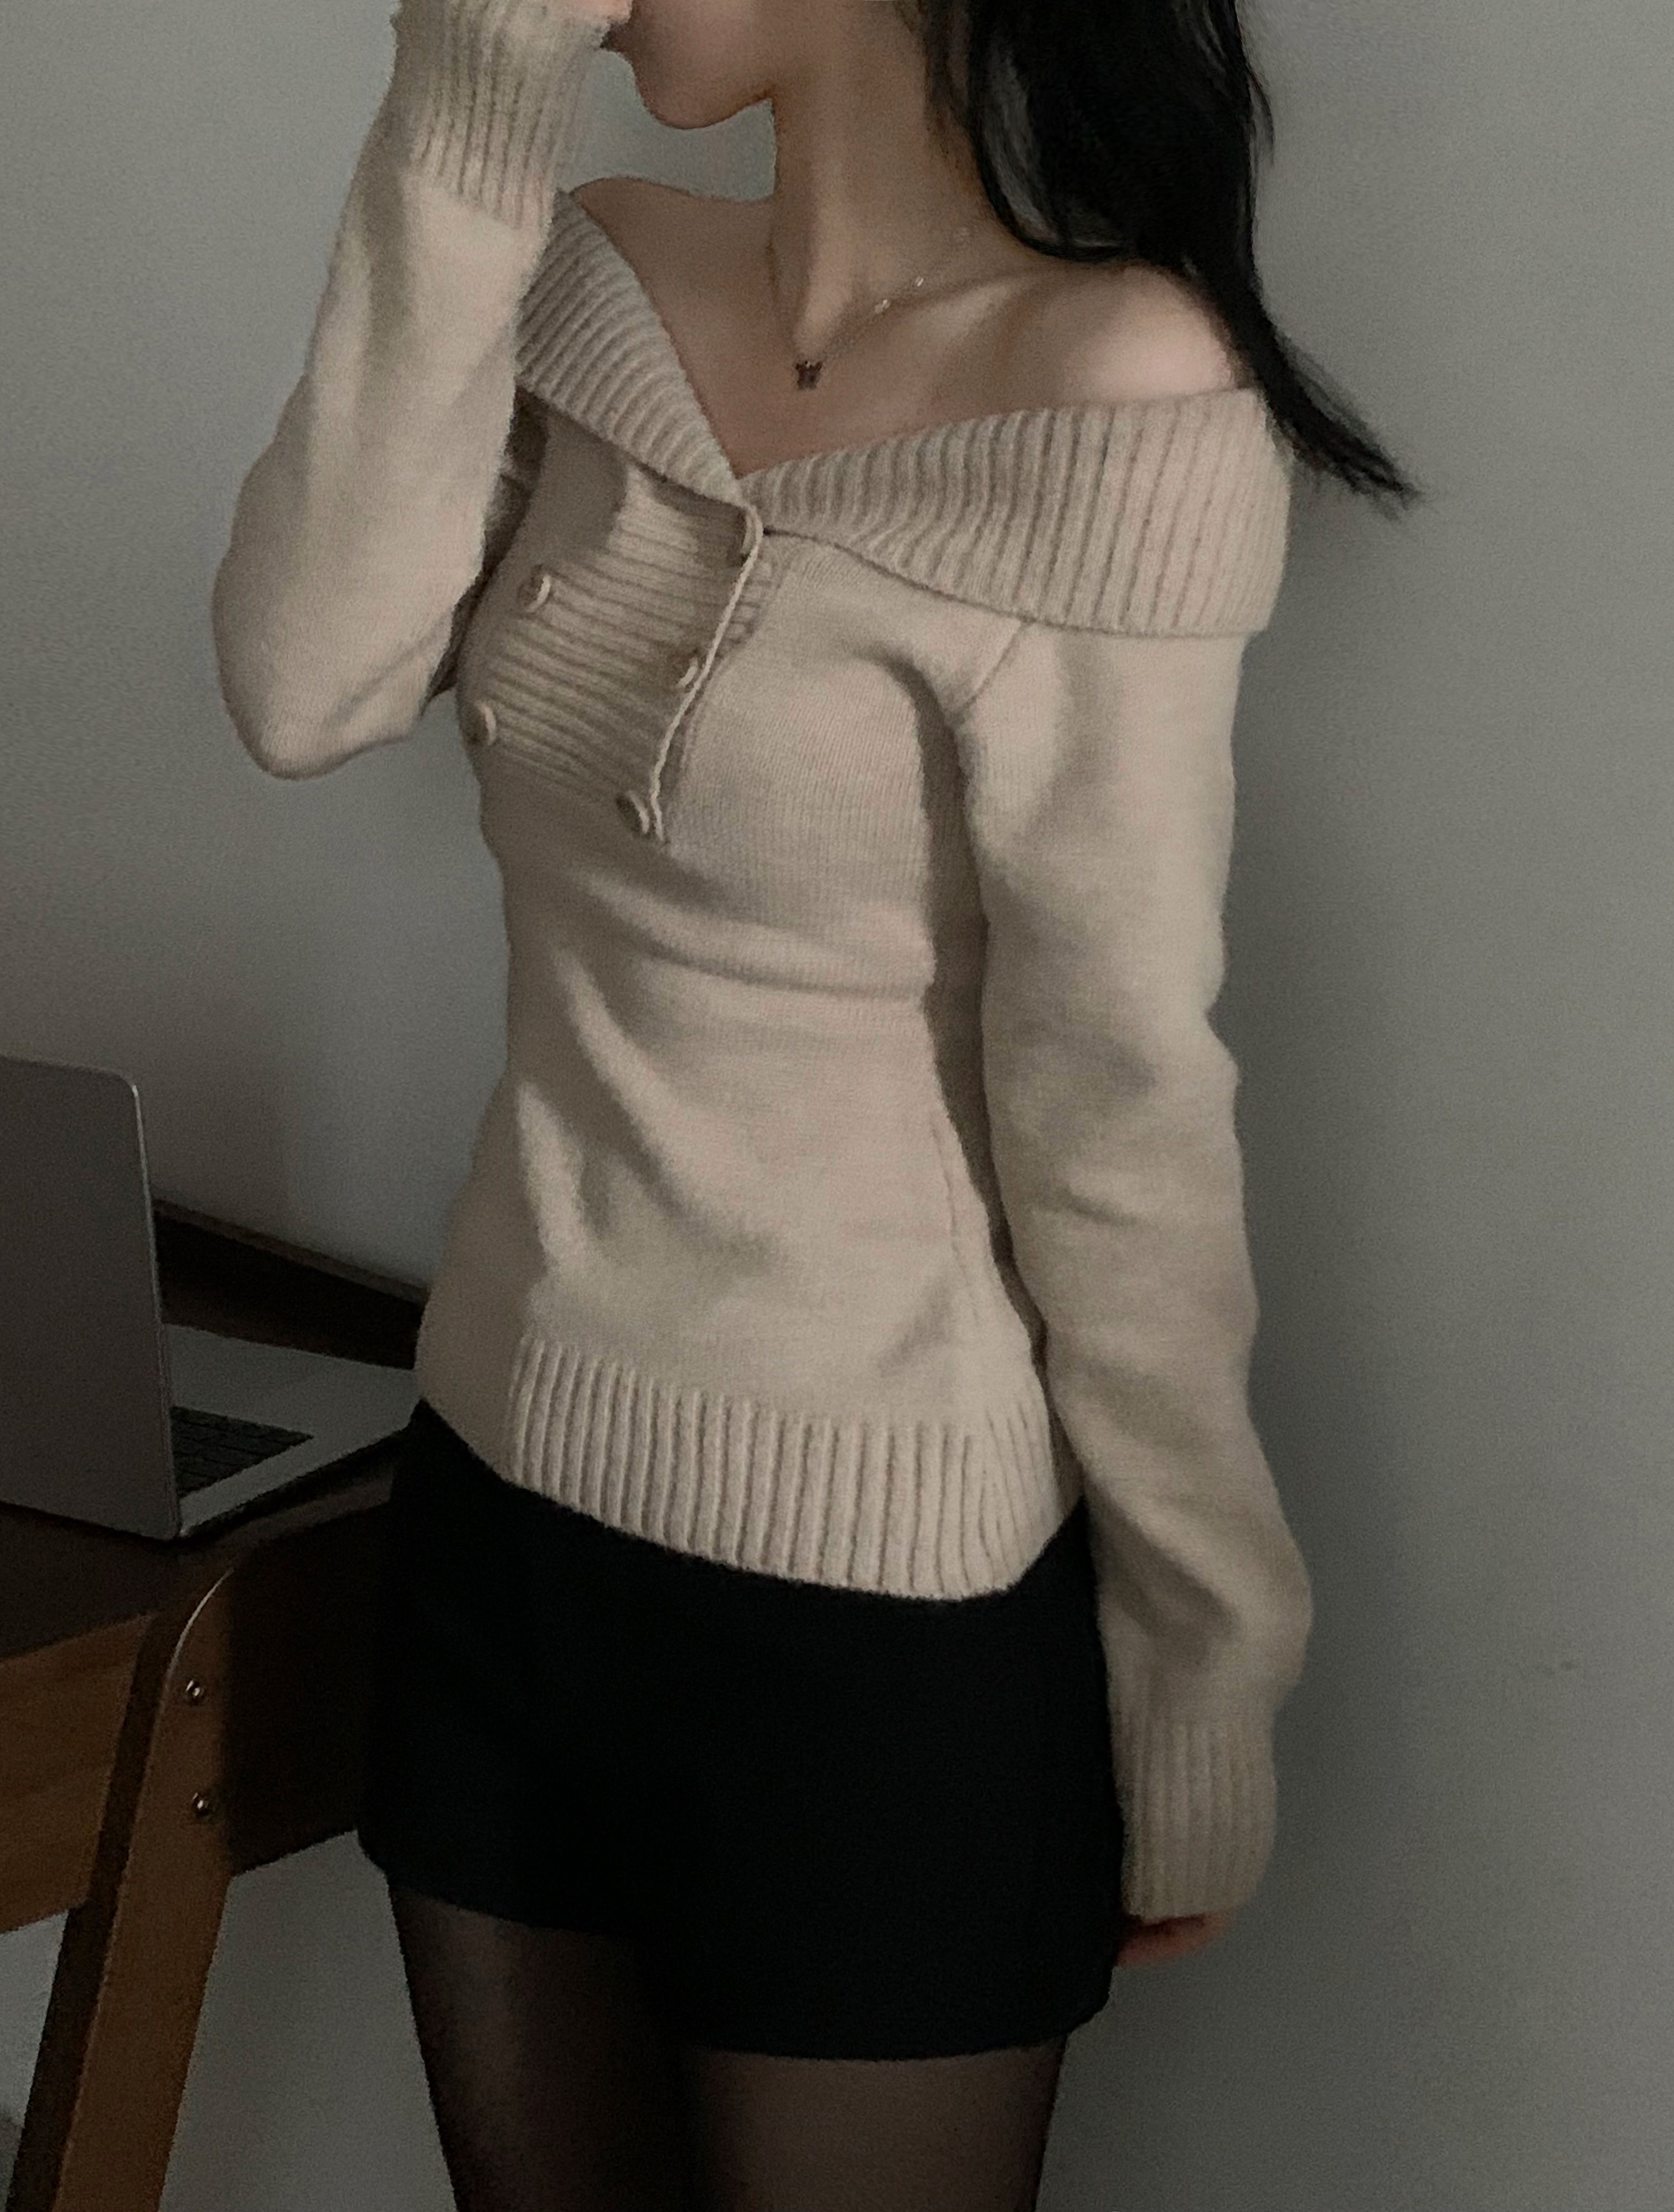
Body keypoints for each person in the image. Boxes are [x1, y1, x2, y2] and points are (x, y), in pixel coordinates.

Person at [210, 1, 1413, 2204]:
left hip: (878, 1626)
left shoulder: (1113, 388)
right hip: (492, 1514)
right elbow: (305, 684)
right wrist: (460, 127)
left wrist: (1203, 1667)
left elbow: (1117, 1108)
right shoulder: (596, 277)